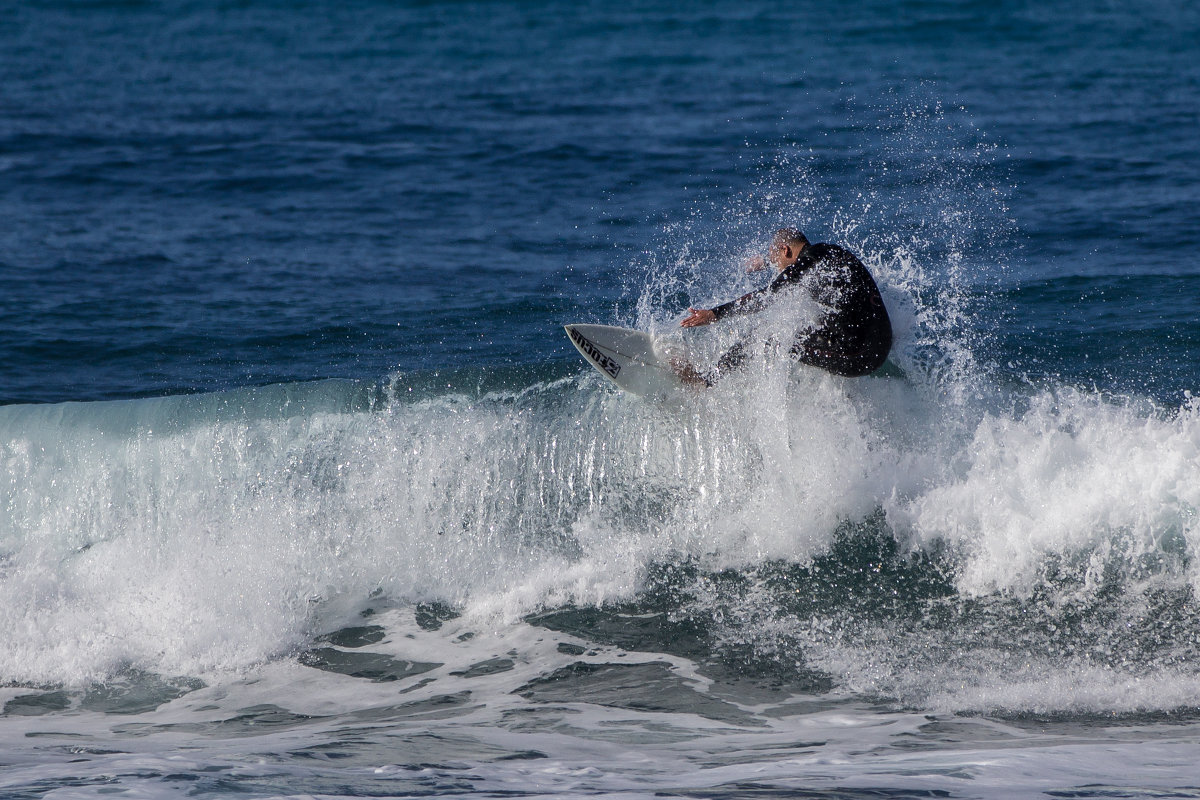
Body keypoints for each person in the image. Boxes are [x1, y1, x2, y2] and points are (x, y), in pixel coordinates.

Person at [674, 228, 892, 385]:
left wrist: (714, 314)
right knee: (806, 325)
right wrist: (768, 262)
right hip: (879, 342)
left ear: (786, 250)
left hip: (858, 353)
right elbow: (797, 270)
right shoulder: (827, 253)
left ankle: (705, 381)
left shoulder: (808, 262)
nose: (778, 269)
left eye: (775, 260)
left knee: (765, 338)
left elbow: (768, 296)